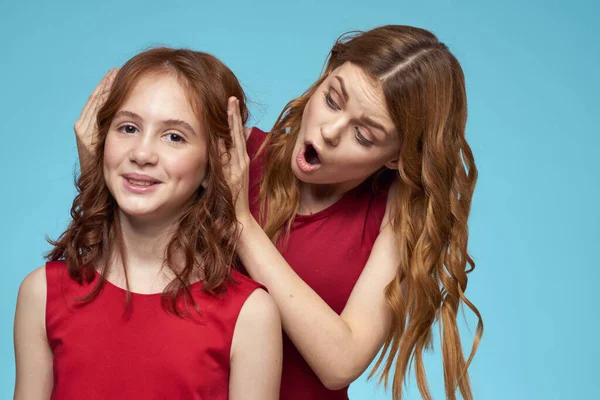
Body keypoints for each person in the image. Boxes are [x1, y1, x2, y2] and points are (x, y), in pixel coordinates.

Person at [77, 25, 482, 400]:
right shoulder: (235, 155)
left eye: (363, 134)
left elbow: (341, 362)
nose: (329, 130)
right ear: (325, 74)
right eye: (332, 99)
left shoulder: (395, 218)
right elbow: (129, 278)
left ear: (397, 157)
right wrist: (100, 177)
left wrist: (242, 226)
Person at [13, 48, 282, 400]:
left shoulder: (251, 316)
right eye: (128, 128)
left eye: (174, 136)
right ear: (101, 138)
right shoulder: (42, 294)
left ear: (215, 162)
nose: (141, 153)